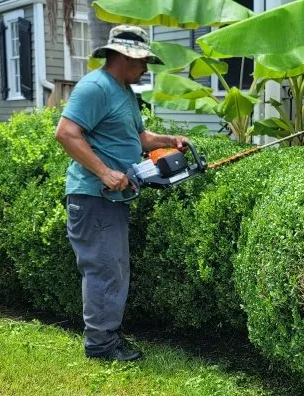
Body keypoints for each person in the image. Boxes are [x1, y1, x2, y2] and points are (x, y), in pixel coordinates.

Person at [55, 25, 190, 362]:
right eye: (142, 60)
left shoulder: (123, 92)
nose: (146, 67)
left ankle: (107, 335)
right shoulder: (95, 87)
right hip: (93, 196)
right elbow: (67, 133)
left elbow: (138, 136)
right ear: (122, 57)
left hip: (112, 200)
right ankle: (101, 345)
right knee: (103, 269)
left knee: (112, 268)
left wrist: (168, 142)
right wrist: (104, 172)